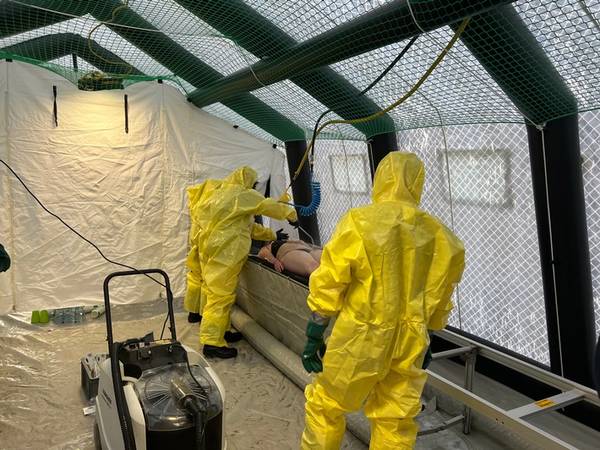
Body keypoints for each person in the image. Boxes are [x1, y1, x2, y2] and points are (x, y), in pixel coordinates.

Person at [300, 152, 465, 449]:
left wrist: (315, 332)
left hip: (360, 338)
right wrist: (427, 335)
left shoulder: (359, 221)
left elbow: (330, 280)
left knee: (326, 405)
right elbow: (440, 295)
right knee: (395, 420)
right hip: (409, 341)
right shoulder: (442, 236)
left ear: (380, 180)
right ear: (418, 183)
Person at [194, 166, 297, 359]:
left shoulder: (218, 195)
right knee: (220, 297)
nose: (254, 187)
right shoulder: (241, 194)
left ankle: (221, 331)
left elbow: (246, 226)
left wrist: (273, 234)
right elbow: (267, 206)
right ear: (247, 180)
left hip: (212, 252)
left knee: (215, 293)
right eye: (254, 183)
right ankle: (211, 343)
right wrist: (291, 215)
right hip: (226, 254)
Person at [184, 179, 222, 323]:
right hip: (206, 248)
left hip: (196, 247)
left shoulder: (196, 205)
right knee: (209, 284)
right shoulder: (209, 207)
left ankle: (193, 313)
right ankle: (205, 317)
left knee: (195, 279)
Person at [258, 239, 322, 277]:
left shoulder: (279, 239)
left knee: (324, 258)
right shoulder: (268, 246)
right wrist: (275, 261)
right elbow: (262, 252)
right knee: (313, 266)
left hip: (304, 247)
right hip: (285, 252)